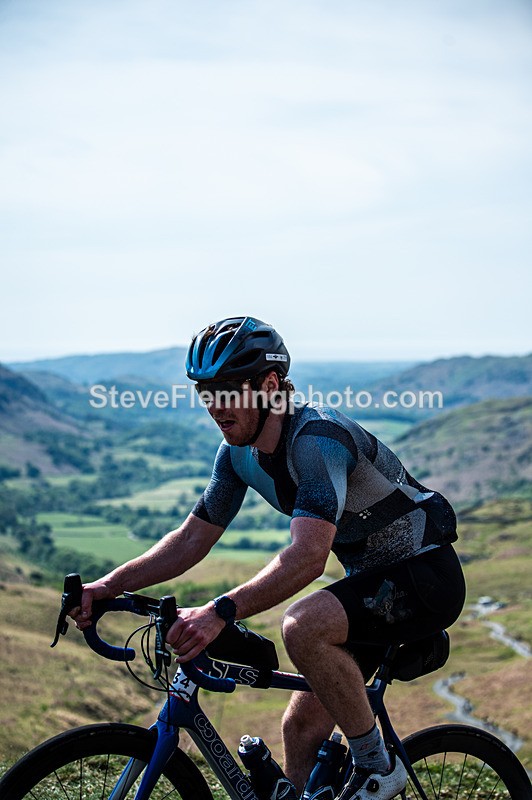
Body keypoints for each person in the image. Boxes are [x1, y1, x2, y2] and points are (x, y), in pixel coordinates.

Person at [73, 316, 466, 800]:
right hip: (371, 586)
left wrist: (221, 611)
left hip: (425, 576)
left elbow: (307, 558)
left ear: (270, 385)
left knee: (302, 625)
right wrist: (107, 587)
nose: (214, 407)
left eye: (226, 391)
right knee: (300, 727)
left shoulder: (317, 440)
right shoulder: (236, 454)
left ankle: (377, 769)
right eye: (205, 393)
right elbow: (192, 538)